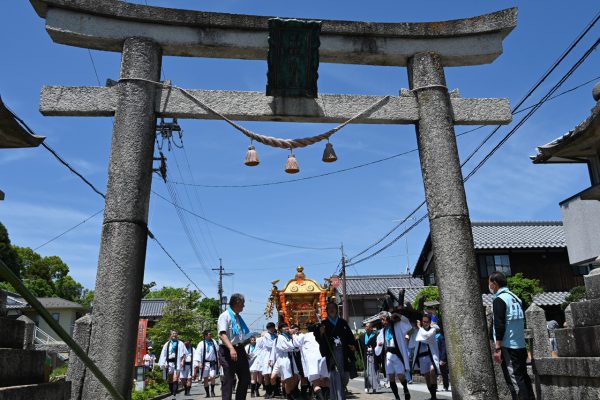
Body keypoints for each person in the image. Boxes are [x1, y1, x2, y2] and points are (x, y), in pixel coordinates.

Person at [489, 271, 535, 400]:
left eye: (490, 283)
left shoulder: (499, 299)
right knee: (523, 378)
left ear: (495, 284)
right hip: (520, 344)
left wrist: (497, 348)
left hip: (508, 345)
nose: (489, 286)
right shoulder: (515, 298)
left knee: (514, 381)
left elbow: (499, 325)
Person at [315, 302, 357, 400]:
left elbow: (350, 337)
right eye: (329, 308)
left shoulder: (343, 323)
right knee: (334, 376)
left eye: (333, 308)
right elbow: (318, 338)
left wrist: (352, 345)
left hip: (343, 352)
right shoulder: (324, 324)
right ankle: (338, 397)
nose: (331, 310)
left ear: (337, 309)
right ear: (327, 311)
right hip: (331, 354)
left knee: (344, 377)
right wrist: (321, 333)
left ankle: (339, 394)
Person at [218, 293, 252, 400]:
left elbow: (239, 336)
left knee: (245, 377)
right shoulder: (225, 316)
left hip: (239, 349)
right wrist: (231, 348)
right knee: (229, 378)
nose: (243, 306)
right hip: (227, 349)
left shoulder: (238, 317)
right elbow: (222, 334)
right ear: (237, 303)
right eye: (242, 304)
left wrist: (242, 350)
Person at [375, 312, 412, 400]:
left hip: (397, 355)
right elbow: (378, 343)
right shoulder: (383, 330)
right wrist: (379, 345)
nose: (382, 322)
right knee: (391, 377)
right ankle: (397, 397)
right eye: (381, 320)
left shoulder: (398, 325)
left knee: (401, 376)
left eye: (383, 319)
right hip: (388, 355)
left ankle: (406, 389)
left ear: (388, 318)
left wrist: (398, 315)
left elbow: (408, 323)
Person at [298, 324, 329, 400]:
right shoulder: (321, 334)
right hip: (322, 358)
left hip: (311, 361)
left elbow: (297, 345)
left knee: (316, 383)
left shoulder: (304, 336)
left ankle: (321, 398)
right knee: (325, 380)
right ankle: (328, 396)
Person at [412, 315, 440, 400]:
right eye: (423, 322)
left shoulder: (433, 329)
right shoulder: (418, 331)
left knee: (432, 371)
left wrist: (420, 328)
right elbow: (416, 340)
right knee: (427, 376)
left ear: (430, 322)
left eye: (427, 322)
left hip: (431, 355)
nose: (425, 323)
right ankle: (432, 395)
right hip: (422, 356)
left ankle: (434, 396)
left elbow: (426, 336)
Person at [272, 323, 300, 400]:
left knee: (296, 377)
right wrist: (294, 348)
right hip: (284, 359)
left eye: (287, 326)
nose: (287, 328)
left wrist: (293, 336)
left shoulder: (289, 336)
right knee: (288, 379)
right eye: (284, 327)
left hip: (290, 358)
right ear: (281, 329)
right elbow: (287, 347)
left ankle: (290, 392)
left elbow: (297, 345)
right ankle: (288, 395)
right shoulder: (280, 337)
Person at [158, 330, 188, 399]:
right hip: (169, 363)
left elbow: (184, 354)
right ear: (170, 335)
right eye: (173, 333)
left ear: (177, 335)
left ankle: (174, 393)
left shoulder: (180, 343)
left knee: (175, 378)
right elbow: (163, 355)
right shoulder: (167, 344)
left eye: (175, 333)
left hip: (177, 362)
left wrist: (182, 361)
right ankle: (172, 391)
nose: (174, 335)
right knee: (170, 379)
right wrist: (164, 363)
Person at [195, 330, 220, 398]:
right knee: (205, 378)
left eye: (211, 334)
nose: (211, 335)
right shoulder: (201, 343)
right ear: (205, 336)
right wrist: (199, 362)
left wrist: (218, 361)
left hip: (212, 362)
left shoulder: (213, 342)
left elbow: (217, 352)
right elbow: (198, 353)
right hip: (205, 363)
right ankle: (207, 393)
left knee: (212, 376)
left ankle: (212, 390)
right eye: (209, 334)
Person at [259, 322, 278, 399]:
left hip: (274, 355)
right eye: (270, 327)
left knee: (272, 374)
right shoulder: (266, 335)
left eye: (272, 327)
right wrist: (276, 343)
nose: (271, 329)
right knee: (267, 374)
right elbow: (269, 345)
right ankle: (268, 392)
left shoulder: (275, 335)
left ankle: (273, 391)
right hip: (267, 356)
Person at [358, 323, 379, 394]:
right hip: (365, 356)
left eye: (368, 327)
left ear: (371, 328)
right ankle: (366, 386)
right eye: (366, 327)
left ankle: (374, 387)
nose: (366, 328)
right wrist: (357, 340)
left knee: (374, 372)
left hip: (374, 356)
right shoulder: (362, 337)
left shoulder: (376, 336)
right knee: (366, 372)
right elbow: (359, 347)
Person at [291, 324, 310, 400]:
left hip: (302, 356)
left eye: (296, 329)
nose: (296, 330)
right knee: (295, 375)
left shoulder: (303, 335)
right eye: (294, 329)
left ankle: (304, 393)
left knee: (303, 374)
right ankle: (295, 391)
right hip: (294, 356)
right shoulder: (290, 336)